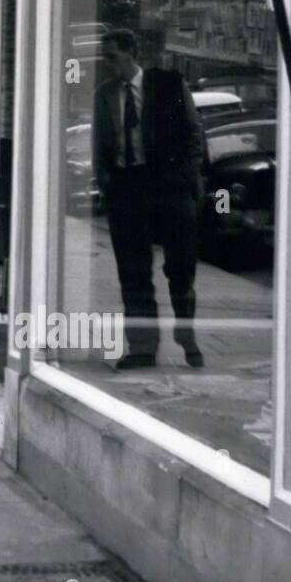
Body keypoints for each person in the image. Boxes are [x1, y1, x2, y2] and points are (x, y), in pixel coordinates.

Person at [92, 28, 205, 370]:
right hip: (127, 189)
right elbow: (100, 145)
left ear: (130, 53)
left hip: (168, 188)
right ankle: (142, 348)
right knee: (133, 272)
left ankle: (186, 335)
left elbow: (194, 132)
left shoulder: (169, 85)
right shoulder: (105, 95)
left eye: (112, 56)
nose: (107, 63)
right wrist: (108, 184)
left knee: (180, 268)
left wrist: (187, 177)